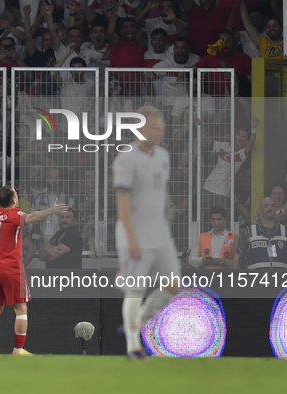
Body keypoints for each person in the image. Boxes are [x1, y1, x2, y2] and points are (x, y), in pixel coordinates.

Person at [0, 185, 68, 355]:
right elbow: (32, 217)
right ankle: (18, 349)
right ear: (14, 200)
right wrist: (51, 210)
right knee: (21, 309)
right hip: (12, 268)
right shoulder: (15, 215)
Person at [112, 105, 181, 360]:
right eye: (155, 128)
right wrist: (131, 238)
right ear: (140, 128)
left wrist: (167, 228)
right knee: (135, 289)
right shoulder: (126, 158)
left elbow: (163, 195)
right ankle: (133, 347)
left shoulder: (163, 155)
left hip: (159, 233)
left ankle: (137, 320)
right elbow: (123, 202)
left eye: (161, 129)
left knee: (174, 286)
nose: (160, 133)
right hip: (135, 233)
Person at [233, 197, 287, 269]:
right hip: (256, 279)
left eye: (272, 206)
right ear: (260, 209)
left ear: (275, 209)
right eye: (266, 206)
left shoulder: (285, 231)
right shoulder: (249, 232)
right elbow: (238, 258)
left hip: (281, 279)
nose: (269, 208)